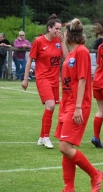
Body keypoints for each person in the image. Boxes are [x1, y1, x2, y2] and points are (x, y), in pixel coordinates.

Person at [53, 18, 103, 192]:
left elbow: (83, 80)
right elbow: (69, 60)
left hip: (76, 105)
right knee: (67, 147)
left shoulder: (82, 52)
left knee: (65, 146)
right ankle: (69, 188)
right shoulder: (74, 53)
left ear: (68, 34)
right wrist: (61, 43)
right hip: (67, 104)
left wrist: (78, 107)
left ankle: (95, 174)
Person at [22, 14, 68, 149]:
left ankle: (42, 137)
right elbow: (30, 60)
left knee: (50, 108)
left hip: (55, 80)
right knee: (51, 105)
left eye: (60, 29)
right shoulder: (39, 42)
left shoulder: (58, 42)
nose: (59, 32)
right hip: (42, 78)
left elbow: (67, 58)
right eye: (57, 29)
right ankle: (46, 137)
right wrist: (25, 79)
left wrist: (62, 41)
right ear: (49, 28)